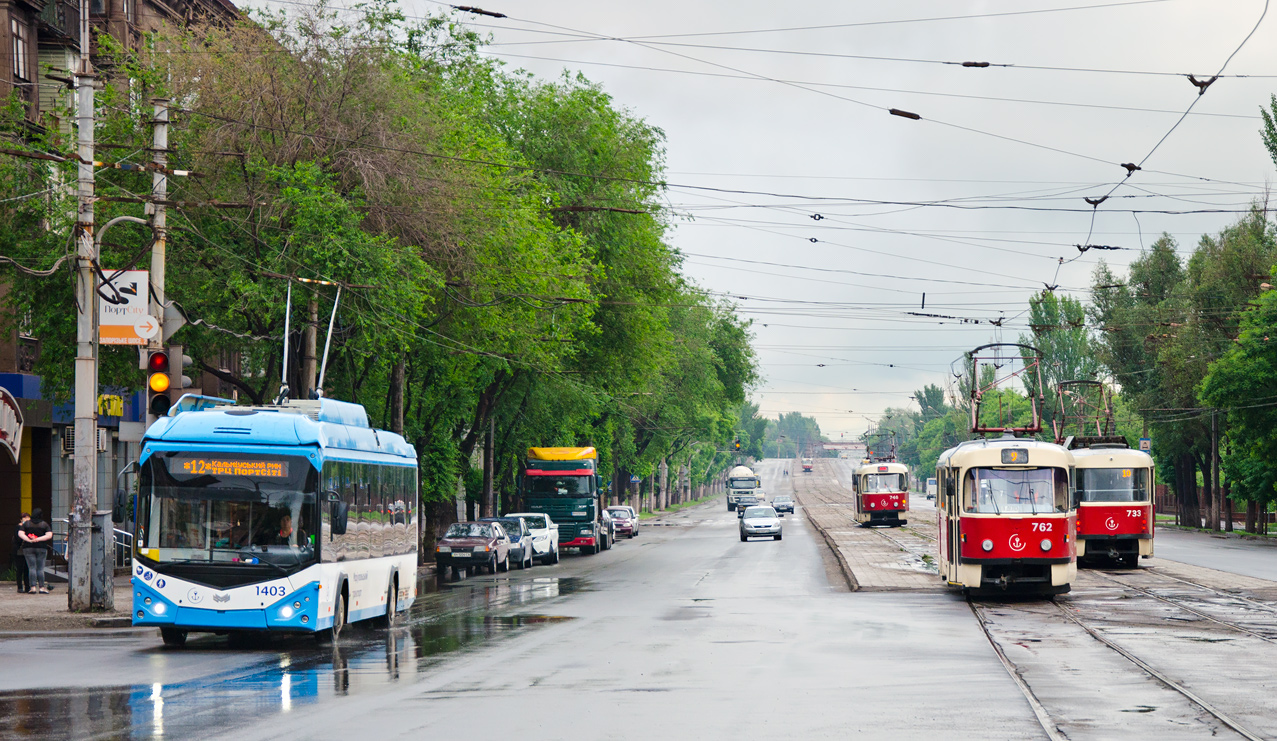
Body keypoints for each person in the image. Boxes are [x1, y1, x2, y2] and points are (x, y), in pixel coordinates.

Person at [19, 508, 53, 594]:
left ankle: (33, 587)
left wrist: (29, 540)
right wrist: (38, 539)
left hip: (28, 547)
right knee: (40, 568)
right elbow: (49, 535)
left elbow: (20, 533)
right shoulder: (44, 524)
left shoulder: (27, 524)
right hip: (41, 547)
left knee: (32, 567)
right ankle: (41, 587)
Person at [11, 513, 30, 594]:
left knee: (26, 569)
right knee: (20, 569)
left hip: (25, 550)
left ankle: (27, 586)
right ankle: (20, 586)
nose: (26, 520)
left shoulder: (28, 527)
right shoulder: (18, 527)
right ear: (21, 519)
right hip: (19, 550)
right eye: (24, 518)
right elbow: (17, 538)